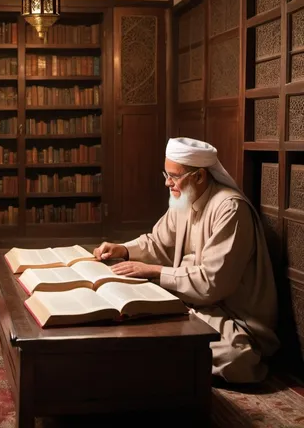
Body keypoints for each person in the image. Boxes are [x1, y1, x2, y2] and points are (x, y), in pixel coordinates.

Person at [94, 137, 279, 384]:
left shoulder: (230, 209)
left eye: (174, 176)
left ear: (200, 176)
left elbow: (212, 284)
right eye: (166, 173)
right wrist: (123, 250)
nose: (167, 182)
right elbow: (158, 242)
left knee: (237, 358)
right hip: (191, 299)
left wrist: (156, 271)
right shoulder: (183, 199)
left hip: (231, 315)